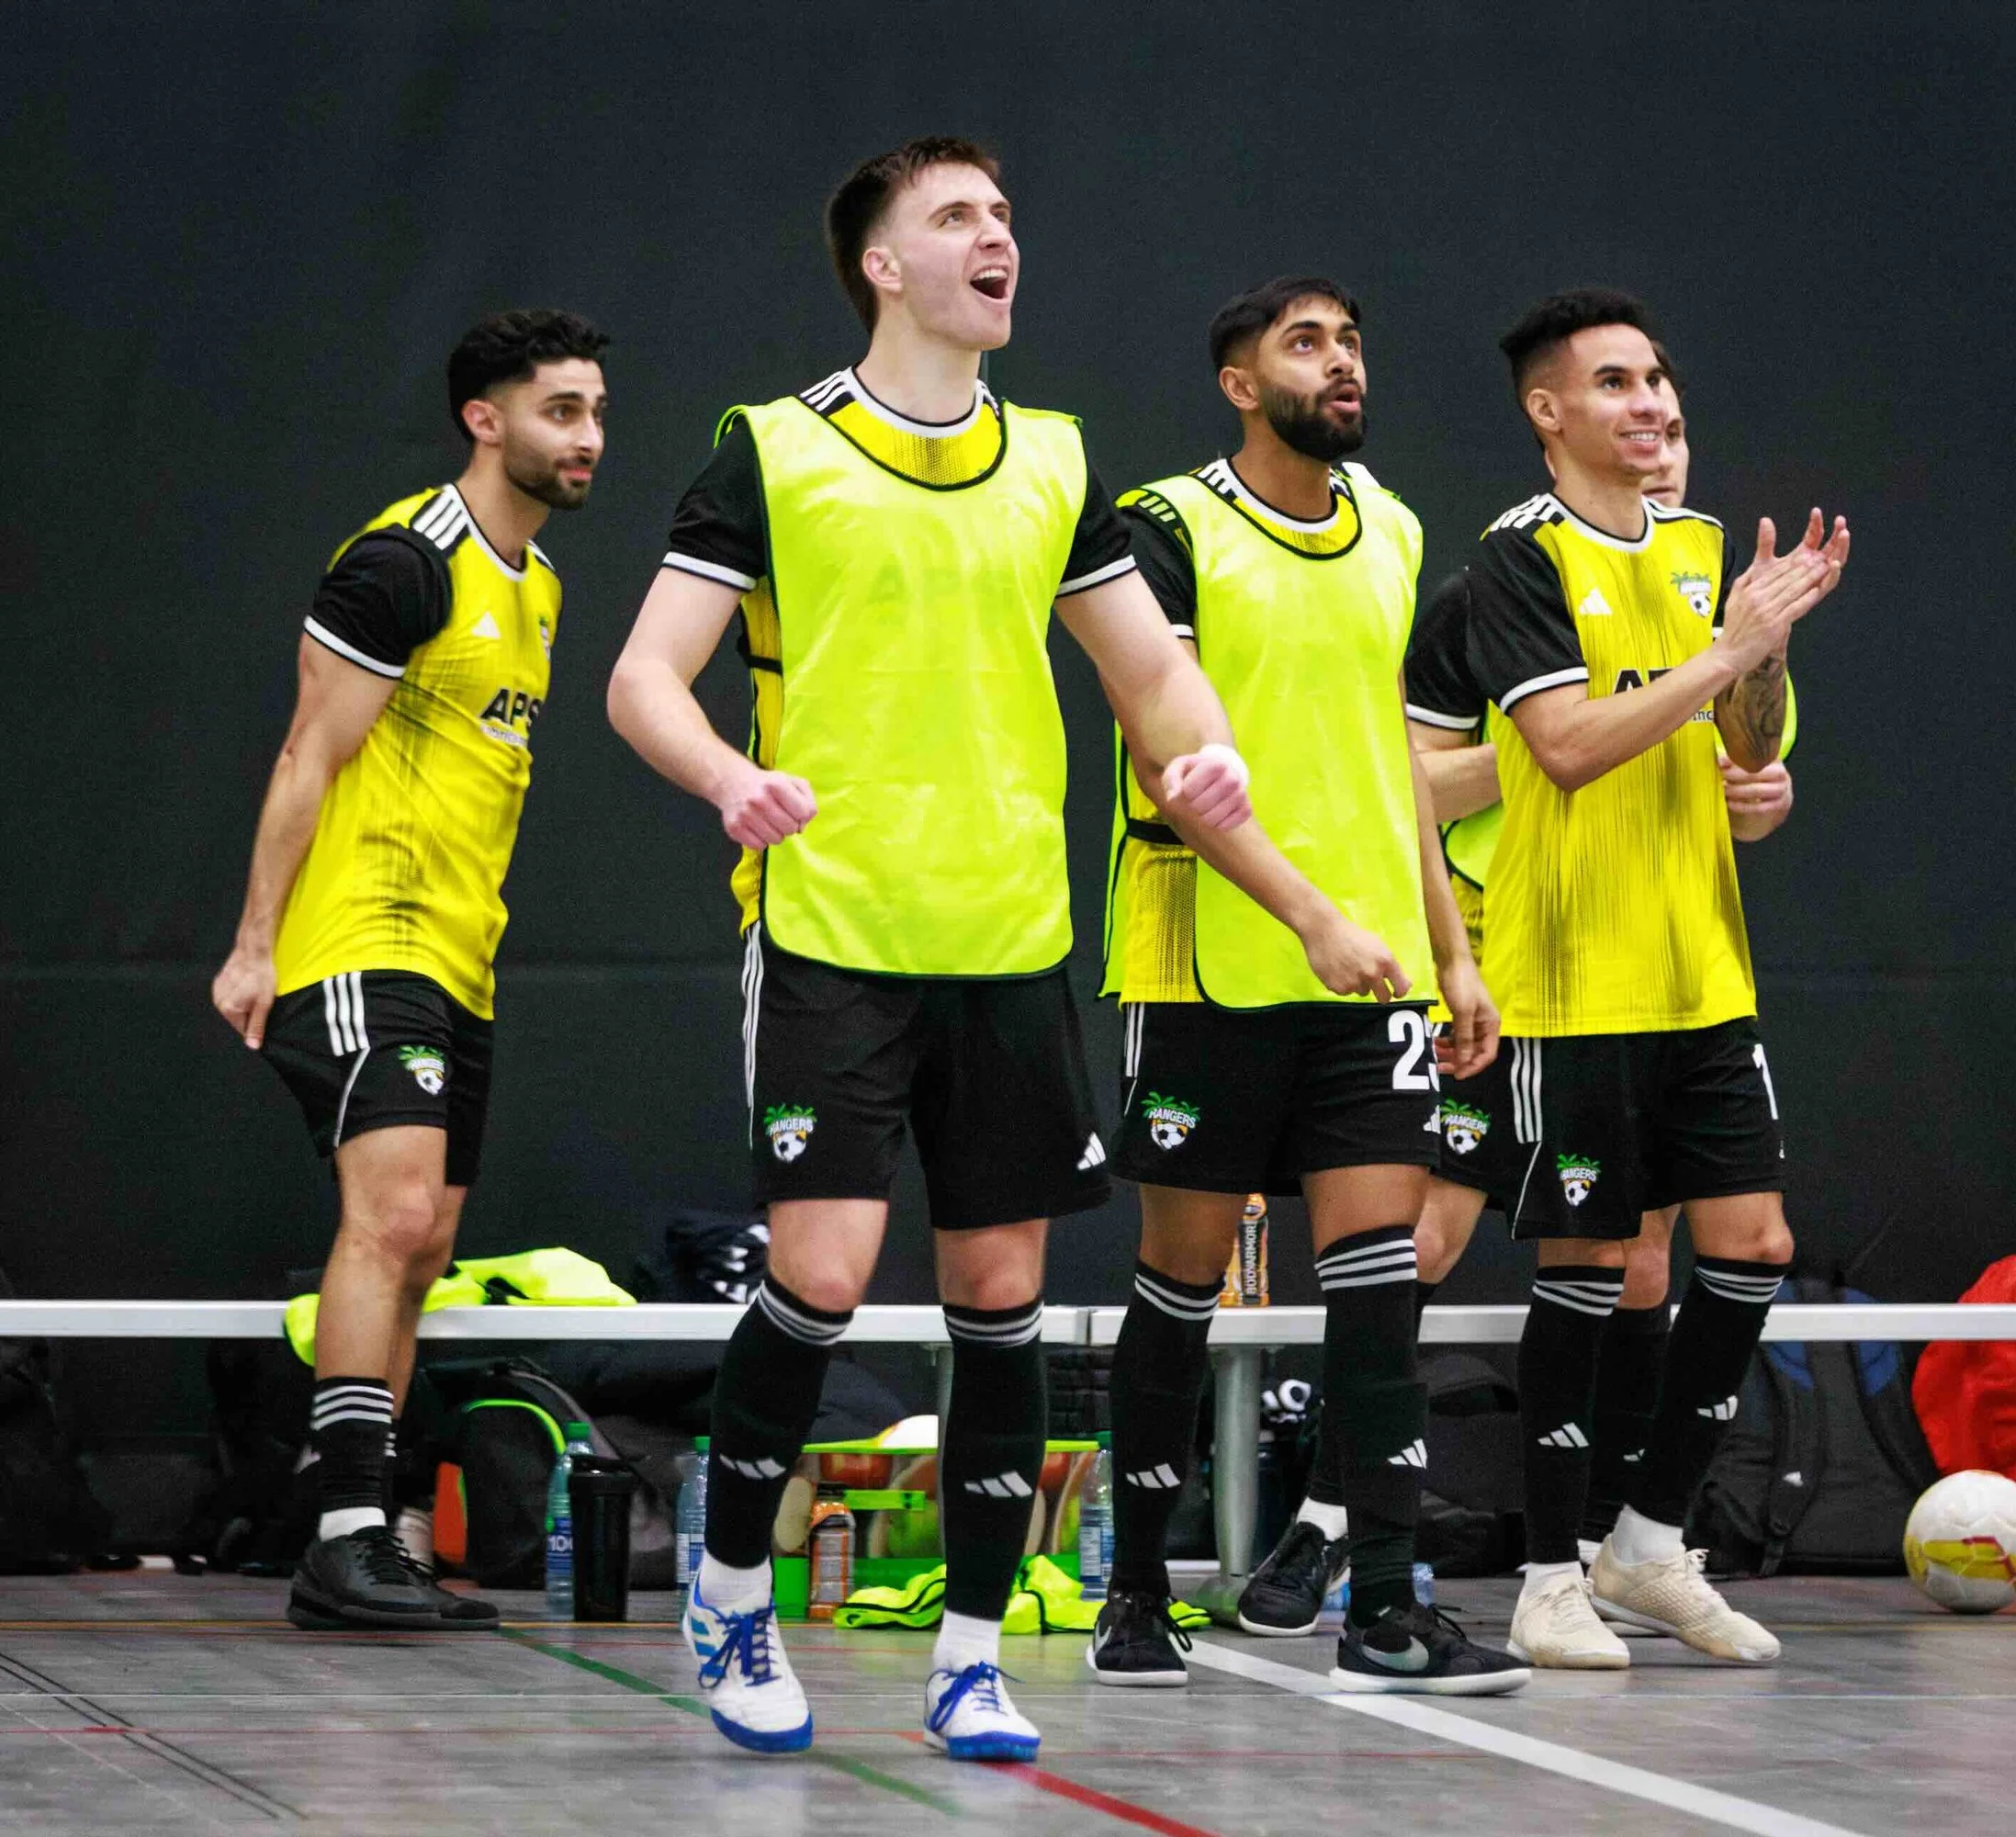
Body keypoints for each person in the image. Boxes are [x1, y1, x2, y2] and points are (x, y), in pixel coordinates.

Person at [606, 138, 1250, 1764]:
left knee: (1003, 1292)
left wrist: (1206, 746)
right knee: (820, 1275)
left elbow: (1150, 674)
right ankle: (734, 1592)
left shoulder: (1053, 459)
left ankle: (972, 1656)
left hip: (1012, 933)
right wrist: (728, 777)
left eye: (1007, 215)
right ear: (883, 267)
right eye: (958, 217)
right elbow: (644, 680)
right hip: (833, 925)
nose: (998, 236)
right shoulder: (771, 451)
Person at [1245, 372, 1800, 1634]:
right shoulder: (1497, 596)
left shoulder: (1712, 600)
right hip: (1491, 961)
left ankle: (1626, 1545)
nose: (1656, 457)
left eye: (1673, 432)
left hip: (1643, 974)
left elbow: (1746, 778)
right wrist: (1562, 746)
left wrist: (1754, 793)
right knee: (1420, 1242)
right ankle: (1332, 1521)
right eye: (1628, 420)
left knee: (1649, 1262)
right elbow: (1396, 788)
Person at [1085, 276, 1525, 1696]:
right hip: (1210, 960)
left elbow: (1392, 758)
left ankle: (1386, 1605)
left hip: (1375, 970)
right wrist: (1309, 913)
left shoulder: (1393, 528)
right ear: (1236, 380)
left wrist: (1447, 947)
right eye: (1306, 344)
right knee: (1183, 1280)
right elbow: (1170, 757)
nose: (1341, 364)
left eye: (1351, 341)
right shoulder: (1164, 528)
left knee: (1379, 1279)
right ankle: (1137, 1592)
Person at [1460, 287, 1846, 1670]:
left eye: (1662, 378)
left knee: (1752, 1249)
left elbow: (1747, 755)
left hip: (1705, 971)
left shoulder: (1699, 550)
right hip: (1571, 978)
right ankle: (1545, 1573)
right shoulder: (1514, 563)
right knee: (1594, 1265)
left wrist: (1765, 668)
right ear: (1549, 413)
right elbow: (1561, 748)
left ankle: (1651, 1540)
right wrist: (1730, 651)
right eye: (1617, 382)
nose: (1656, 403)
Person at [209, 310, 610, 1632]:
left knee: (428, 1238)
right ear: (484, 421)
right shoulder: (403, 562)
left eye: (597, 412)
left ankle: (365, 1530)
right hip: (360, 935)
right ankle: (340, 1534)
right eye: (561, 410)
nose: (588, 437)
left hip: (460, 961)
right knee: (384, 1221)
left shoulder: (539, 586)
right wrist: (257, 942)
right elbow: (304, 756)